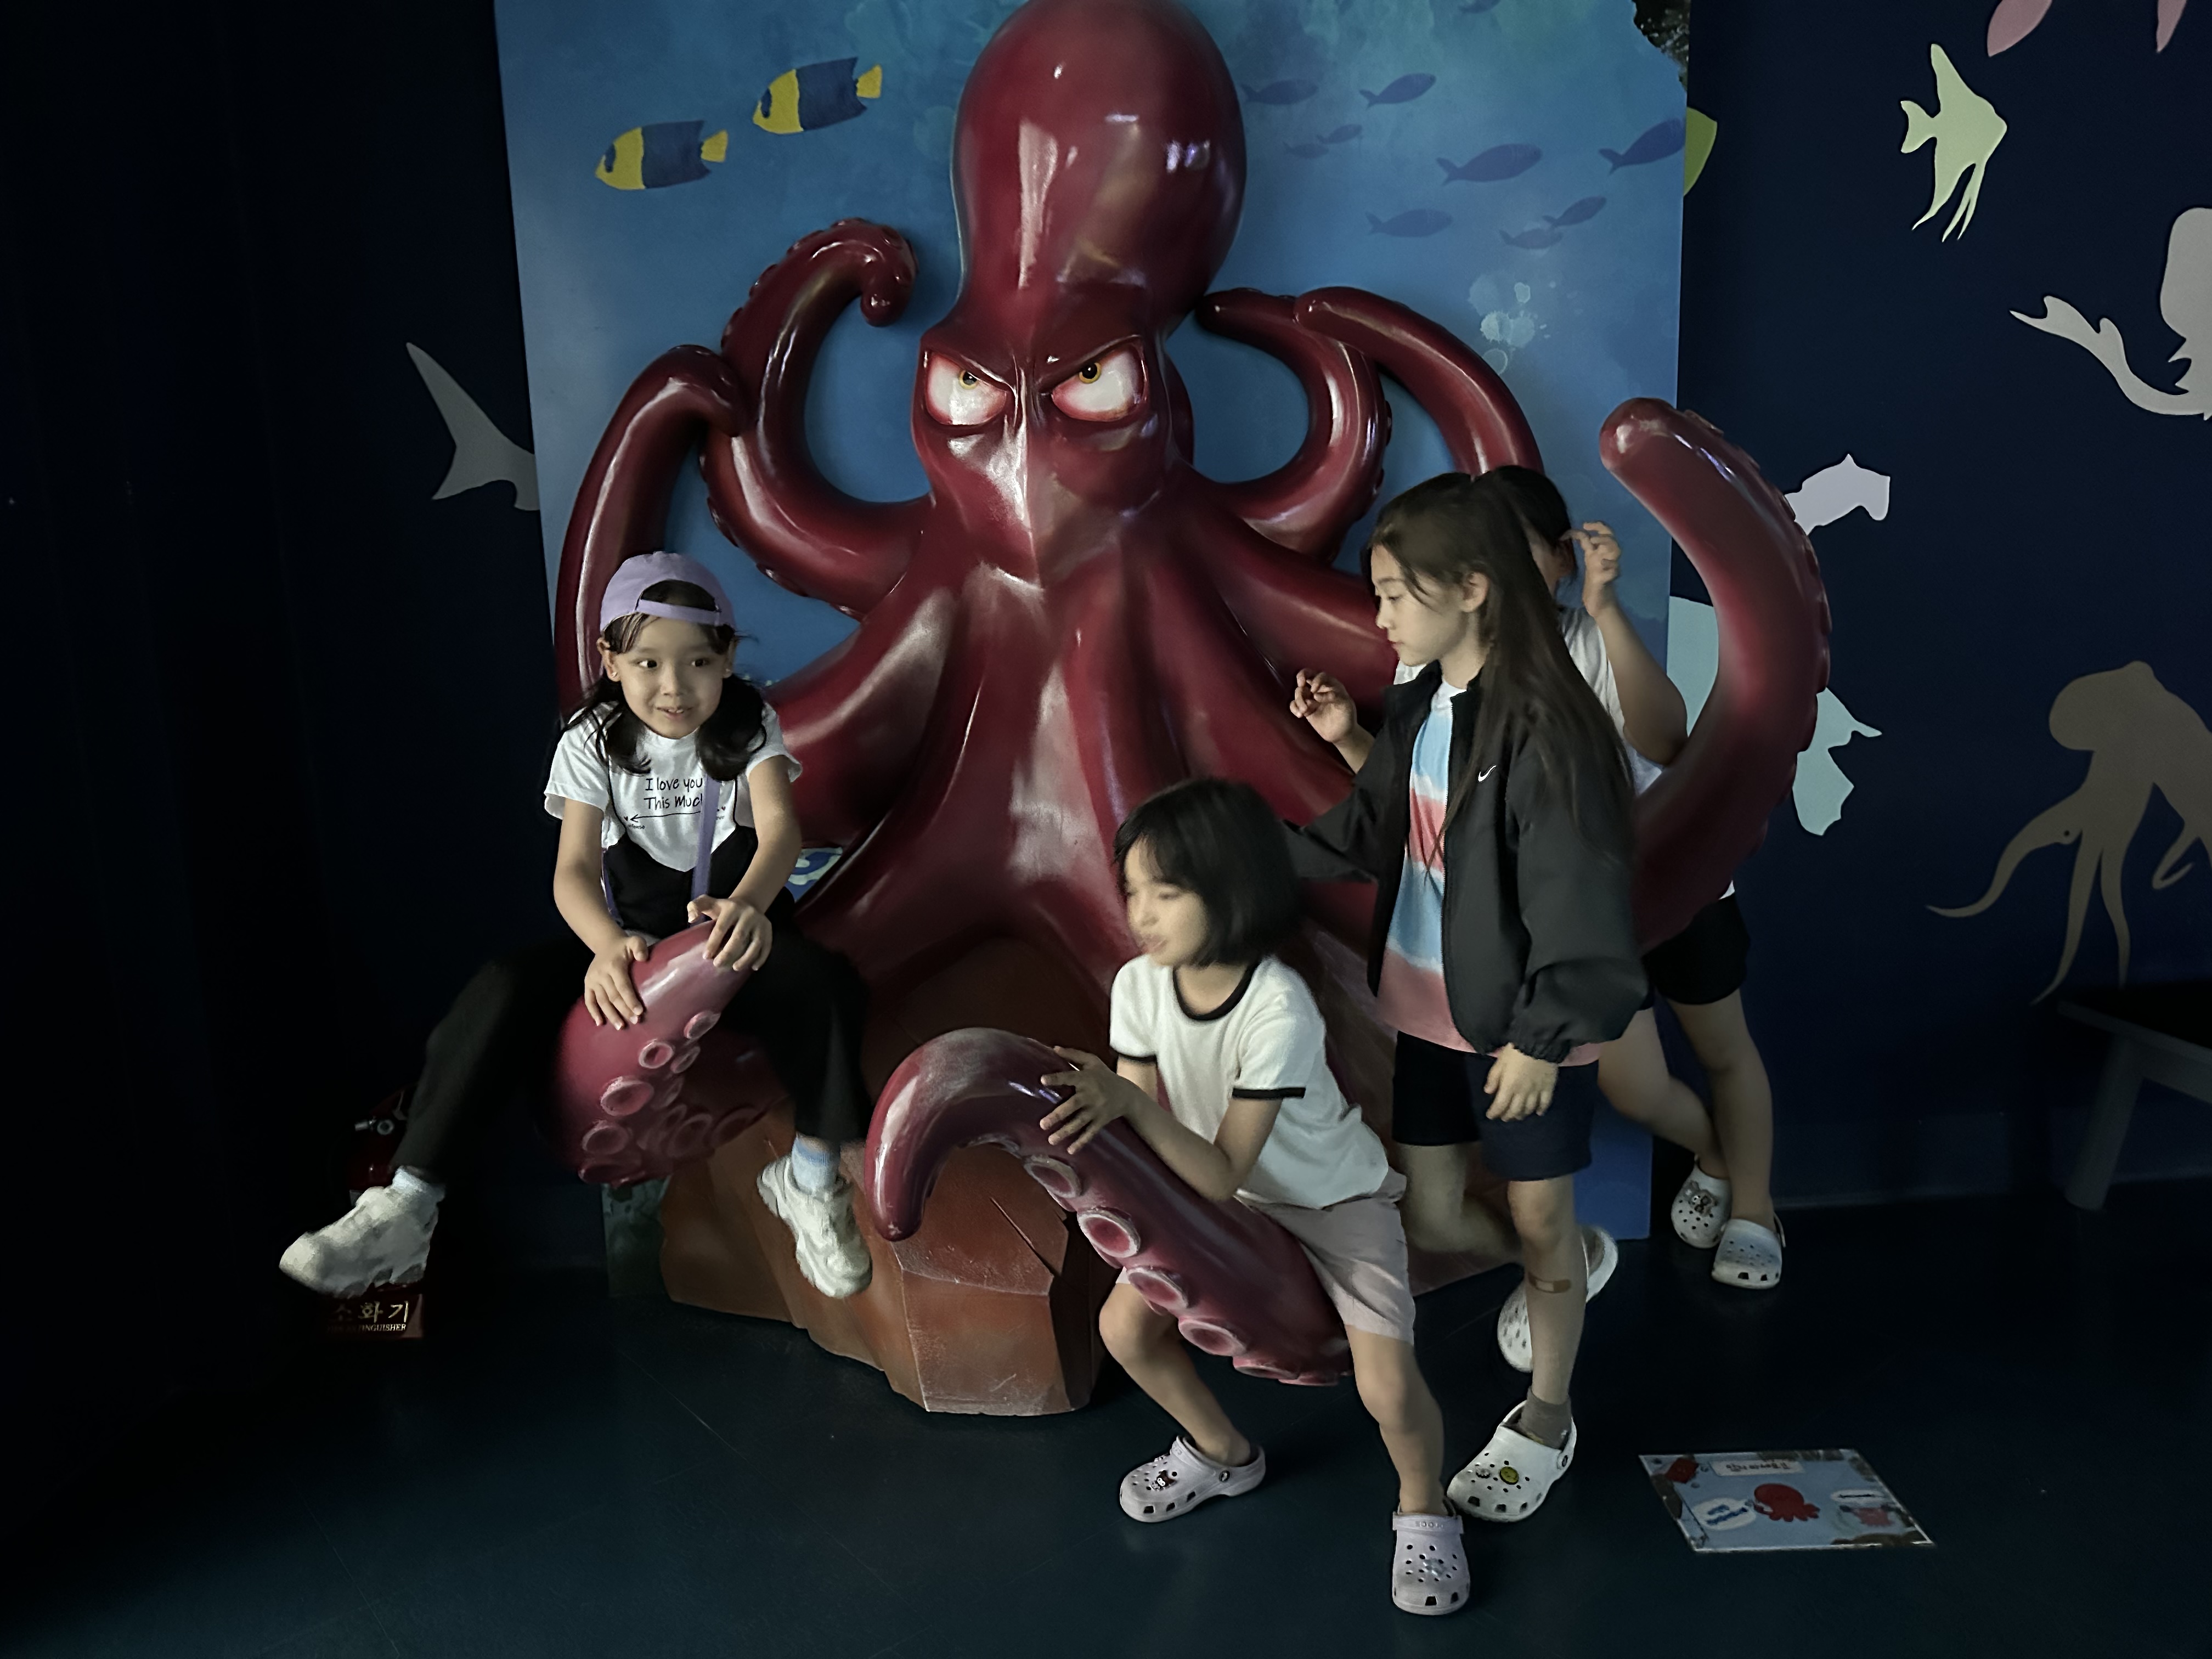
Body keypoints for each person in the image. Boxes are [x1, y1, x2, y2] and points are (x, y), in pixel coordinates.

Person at [279, 552, 873, 1302]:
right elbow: (573, 870)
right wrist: (604, 948)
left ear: (727, 658)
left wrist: (751, 906)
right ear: (611, 661)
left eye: (697, 662)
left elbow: (782, 832)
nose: (673, 685)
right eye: (648, 663)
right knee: (504, 986)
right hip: (629, 941)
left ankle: (810, 1179)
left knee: (826, 982)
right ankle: (408, 1203)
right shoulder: (592, 740)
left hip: (735, 934)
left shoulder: (749, 721)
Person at [1297, 466, 1783, 1292]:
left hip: (1677, 883)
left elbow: (1666, 740)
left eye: (1515, 553)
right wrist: (1347, 738)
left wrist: (1605, 609)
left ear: (1558, 558)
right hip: (1584, 921)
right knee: (1636, 1086)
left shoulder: (1582, 642)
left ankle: (1758, 1209)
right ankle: (1713, 1155)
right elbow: (1420, 800)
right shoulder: (1437, 672)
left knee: (1726, 1050)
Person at [1285, 473, 1645, 1525]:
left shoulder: (1551, 728)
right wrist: (1231, 859)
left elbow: (1587, 907)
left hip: (1524, 1033)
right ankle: (1562, 1268)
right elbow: (1369, 828)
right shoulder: (1418, 704)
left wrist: (1541, 1040)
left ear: (1475, 589)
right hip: (1429, 1017)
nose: (1382, 617)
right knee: (1438, 1212)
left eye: (1398, 594)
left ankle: (1548, 1417)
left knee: (1538, 1213)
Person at [1039, 779, 1469, 1618]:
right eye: (1134, 891)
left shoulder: (1278, 1005)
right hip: (1222, 1191)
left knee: (1386, 1385)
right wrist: (1098, 1125)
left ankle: (1426, 1510)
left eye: (1167, 892)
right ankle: (1223, 1453)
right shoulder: (1138, 988)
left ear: (1233, 889)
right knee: (1123, 1330)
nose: (1142, 913)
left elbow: (1221, 1169)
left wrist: (1127, 1106)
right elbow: (1143, 1136)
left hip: (1331, 1201)